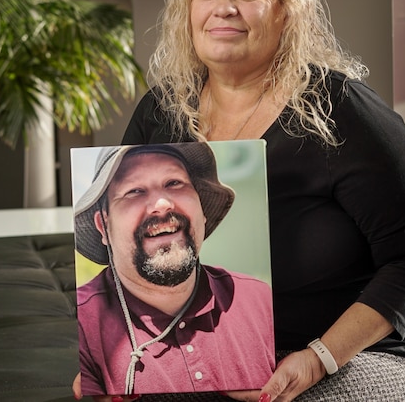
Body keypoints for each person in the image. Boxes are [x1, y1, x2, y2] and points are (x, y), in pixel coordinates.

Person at [73, 0, 405, 402]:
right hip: (220, 359)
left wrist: (318, 359)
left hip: (360, 355)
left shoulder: (343, 110)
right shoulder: (162, 109)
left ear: (286, 10)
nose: (223, 7)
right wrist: (102, 362)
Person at [74, 143, 276, 397]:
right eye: (134, 191)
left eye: (174, 183)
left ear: (201, 209)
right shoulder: (80, 325)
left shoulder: (258, 300)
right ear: (103, 226)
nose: (161, 204)